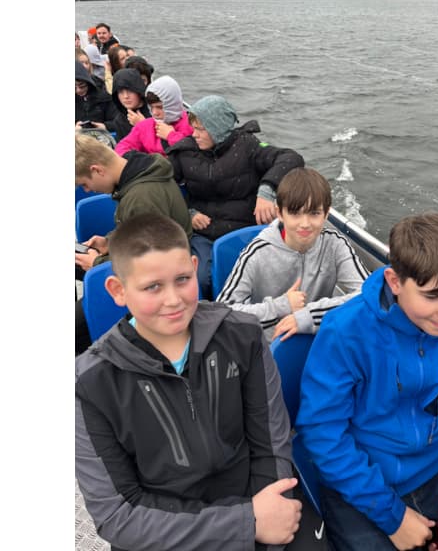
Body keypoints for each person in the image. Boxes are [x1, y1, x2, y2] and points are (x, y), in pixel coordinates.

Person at [75, 212, 330, 550]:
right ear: (118, 290)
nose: (173, 299)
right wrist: (245, 524)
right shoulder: (89, 384)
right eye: (152, 286)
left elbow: (271, 440)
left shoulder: (243, 335)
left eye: (182, 279)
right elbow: (117, 515)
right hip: (167, 529)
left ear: (195, 267)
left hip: (256, 495)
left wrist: (271, 516)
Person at [295, 212, 438, 551]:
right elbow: (323, 432)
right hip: (359, 482)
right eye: (432, 296)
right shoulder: (345, 333)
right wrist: (392, 516)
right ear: (395, 282)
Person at [166, 94, 304, 299]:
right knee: (201, 278)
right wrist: (188, 213)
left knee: (267, 277)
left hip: (245, 230)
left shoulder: (248, 146)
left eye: (200, 129)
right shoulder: (184, 153)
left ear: (217, 128)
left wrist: (267, 191)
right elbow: (164, 185)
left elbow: (291, 158)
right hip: (205, 234)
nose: (194, 134)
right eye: (193, 128)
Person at [216, 167, 369, 341]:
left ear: (326, 214)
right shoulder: (256, 252)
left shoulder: (335, 244)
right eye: (295, 213)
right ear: (280, 213)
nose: (305, 224)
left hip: (318, 339)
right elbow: (223, 313)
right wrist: (281, 307)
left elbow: (370, 295)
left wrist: (309, 316)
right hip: (268, 345)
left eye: (314, 213)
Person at [74, 133, 193, 354]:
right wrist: (109, 242)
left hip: (154, 275)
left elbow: (149, 259)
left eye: (85, 184)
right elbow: (139, 231)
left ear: (97, 170)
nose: (88, 191)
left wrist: (97, 263)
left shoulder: (141, 197)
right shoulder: (139, 173)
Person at [114, 75, 192, 157]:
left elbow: (197, 152)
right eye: (151, 107)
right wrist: (145, 160)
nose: (154, 113)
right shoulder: (144, 126)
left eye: (160, 107)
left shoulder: (191, 124)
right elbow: (121, 147)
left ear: (172, 105)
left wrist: (171, 136)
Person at [107, 67, 151, 142]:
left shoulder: (154, 111)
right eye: (121, 92)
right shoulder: (119, 120)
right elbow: (123, 147)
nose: (126, 96)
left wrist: (144, 126)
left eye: (130, 91)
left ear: (138, 90)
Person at [75, 60, 117, 130]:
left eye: (82, 86)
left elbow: (118, 122)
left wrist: (105, 126)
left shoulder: (104, 96)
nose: (78, 90)